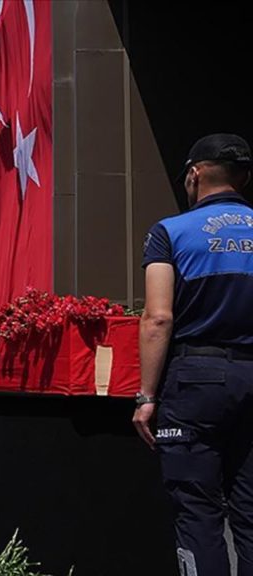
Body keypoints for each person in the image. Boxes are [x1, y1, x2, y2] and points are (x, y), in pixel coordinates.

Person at [133, 133, 253, 576]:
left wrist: (146, 396)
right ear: (244, 177)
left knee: (197, 513)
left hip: (195, 381)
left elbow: (158, 318)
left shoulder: (170, 232)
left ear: (194, 173)